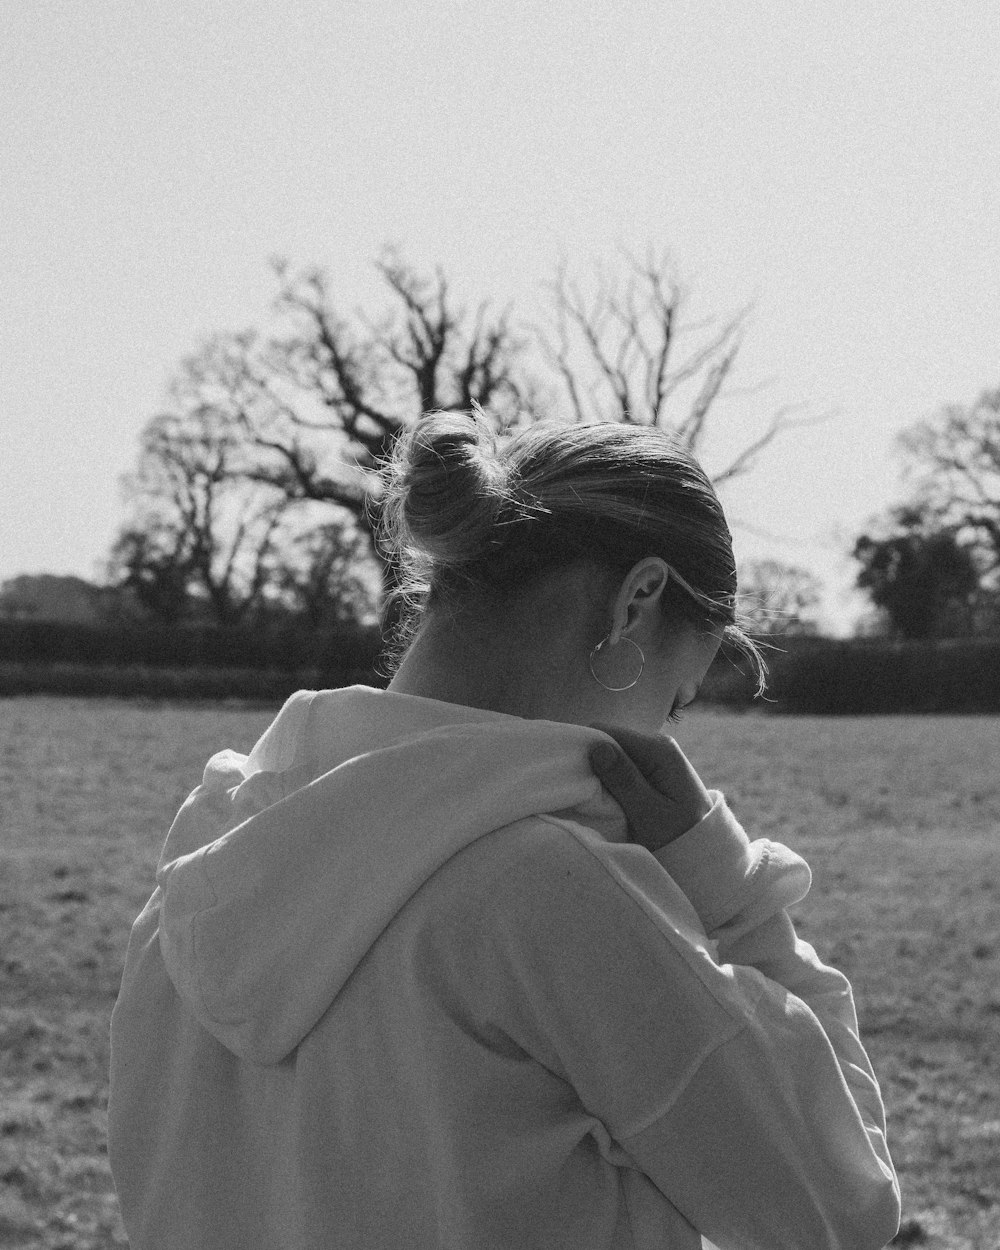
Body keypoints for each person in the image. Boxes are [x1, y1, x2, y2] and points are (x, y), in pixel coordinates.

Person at [109, 411, 901, 1249]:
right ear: (636, 602)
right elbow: (839, 1209)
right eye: (675, 701)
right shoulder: (554, 892)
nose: (668, 739)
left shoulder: (208, 843)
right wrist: (732, 898)